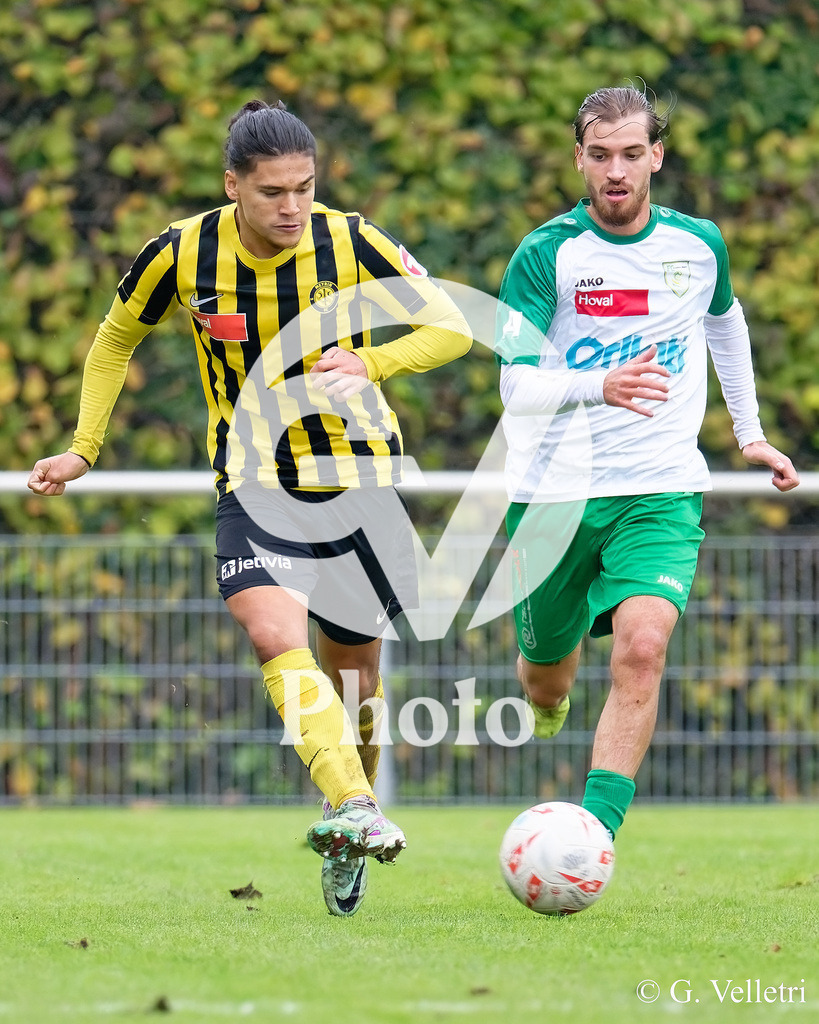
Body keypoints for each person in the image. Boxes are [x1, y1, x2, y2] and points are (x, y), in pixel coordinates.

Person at [27, 99, 472, 916]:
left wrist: (373, 363)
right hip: (252, 480)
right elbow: (114, 338)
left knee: (356, 684)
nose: (292, 207)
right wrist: (84, 447)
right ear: (232, 185)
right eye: (273, 192)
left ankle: (350, 822)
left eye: (304, 187)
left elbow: (449, 326)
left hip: (355, 482)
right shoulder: (181, 252)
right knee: (272, 633)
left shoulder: (349, 240)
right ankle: (356, 806)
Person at [497, 85, 798, 840]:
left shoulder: (699, 246)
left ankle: (591, 837)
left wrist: (750, 432)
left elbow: (725, 325)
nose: (616, 171)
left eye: (631, 153)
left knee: (642, 648)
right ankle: (548, 693)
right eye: (600, 155)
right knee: (544, 678)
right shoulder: (545, 254)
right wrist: (598, 384)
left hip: (659, 490)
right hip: (553, 498)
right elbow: (515, 387)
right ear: (578, 159)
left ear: (656, 156)